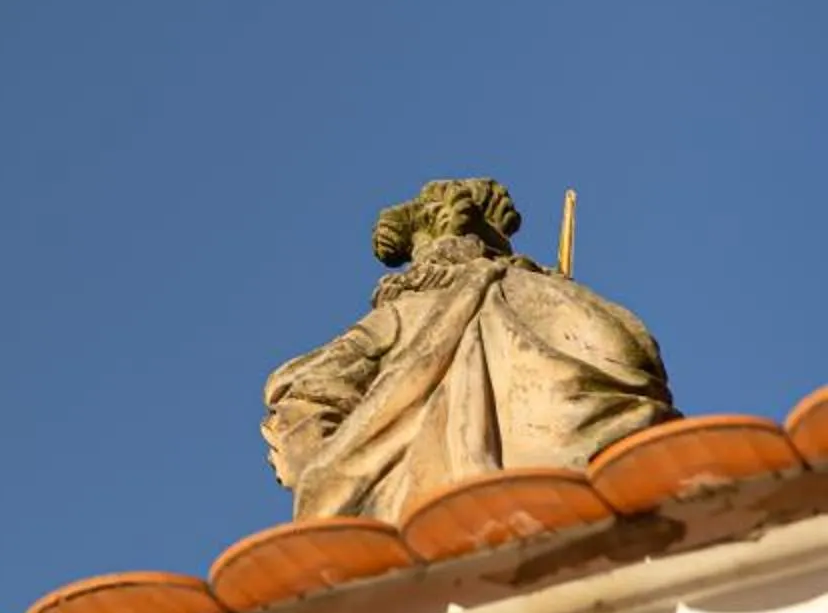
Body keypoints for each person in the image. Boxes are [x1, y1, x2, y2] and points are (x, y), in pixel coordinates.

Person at [263, 179, 675, 522]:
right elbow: (633, 368)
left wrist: (329, 471)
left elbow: (303, 396)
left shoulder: (404, 316)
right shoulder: (547, 297)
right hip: (585, 498)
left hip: (420, 524)